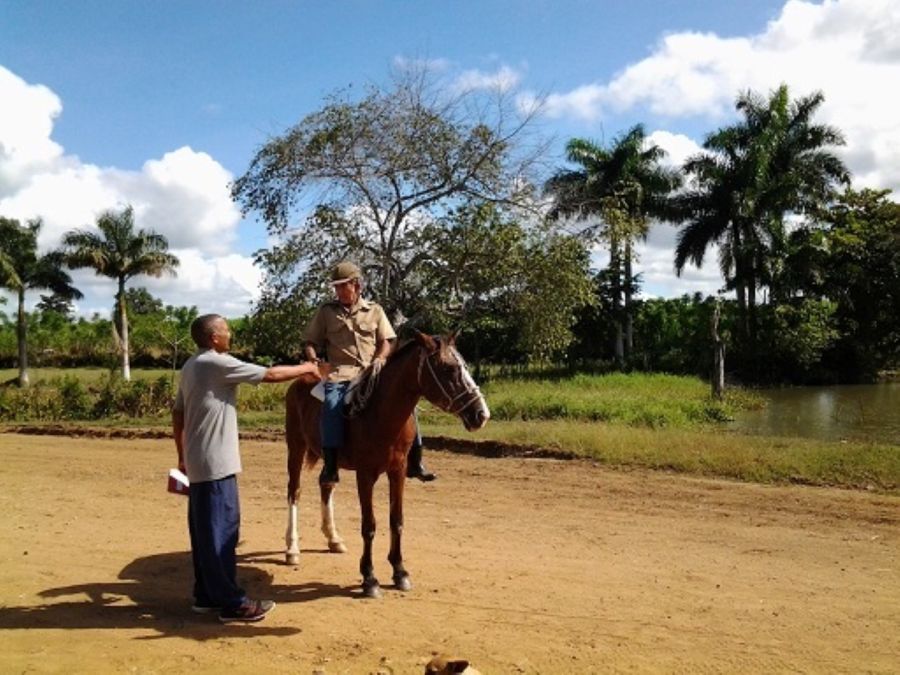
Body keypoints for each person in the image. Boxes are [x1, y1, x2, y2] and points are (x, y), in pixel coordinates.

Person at [172, 313, 320, 623]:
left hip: (198, 460)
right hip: (216, 463)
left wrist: (182, 456)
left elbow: (178, 413)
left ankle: (205, 596)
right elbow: (270, 375)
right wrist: (307, 368)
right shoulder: (216, 363)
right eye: (226, 330)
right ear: (214, 338)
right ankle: (232, 603)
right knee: (221, 532)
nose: (230, 334)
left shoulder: (190, 365)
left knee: (203, 532)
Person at [304, 261, 436, 486]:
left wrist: (381, 358)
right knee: (332, 404)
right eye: (335, 287)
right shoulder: (326, 312)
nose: (338, 291)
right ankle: (330, 464)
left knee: (407, 404)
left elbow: (388, 340)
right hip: (341, 373)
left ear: (357, 285)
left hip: (372, 371)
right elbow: (310, 341)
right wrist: (313, 358)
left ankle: (415, 460)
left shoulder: (374, 310)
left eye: (342, 286)